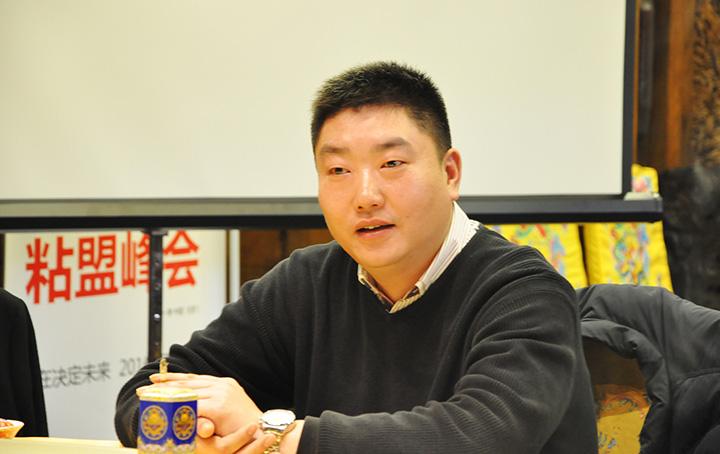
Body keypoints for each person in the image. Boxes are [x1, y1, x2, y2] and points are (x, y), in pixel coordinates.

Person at [115, 61, 598, 453]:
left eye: (392, 164)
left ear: (450, 173)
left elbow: (482, 435)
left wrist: (276, 436)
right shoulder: (304, 283)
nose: (365, 196)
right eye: (338, 170)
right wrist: (197, 432)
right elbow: (145, 392)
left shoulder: (525, 292)